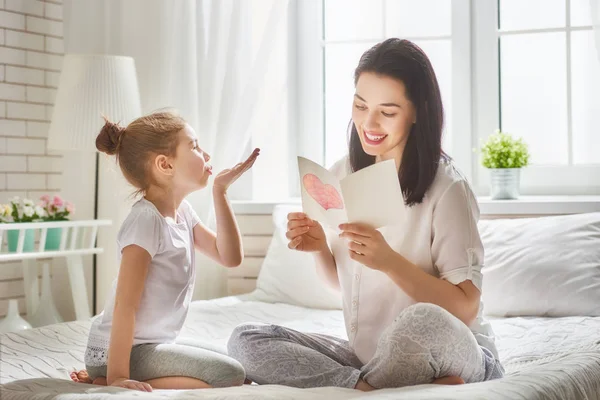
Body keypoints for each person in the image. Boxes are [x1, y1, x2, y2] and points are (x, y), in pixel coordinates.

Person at [227, 38, 504, 391]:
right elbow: (343, 287)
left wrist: (388, 260)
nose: (368, 123)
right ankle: (365, 386)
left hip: (457, 348)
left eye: (387, 112)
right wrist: (319, 250)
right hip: (372, 357)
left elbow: (464, 307)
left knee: (420, 322)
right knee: (246, 339)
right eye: (360, 105)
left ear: (417, 111)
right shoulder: (342, 173)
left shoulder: (447, 187)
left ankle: (373, 383)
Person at [70, 110, 259, 392]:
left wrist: (220, 191)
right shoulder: (146, 222)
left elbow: (229, 257)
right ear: (165, 165)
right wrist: (117, 377)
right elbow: (125, 305)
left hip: (153, 346)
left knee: (239, 364)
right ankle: (103, 377)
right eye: (195, 146)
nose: (205, 154)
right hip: (120, 353)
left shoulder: (183, 213)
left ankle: (108, 375)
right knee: (229, 375)